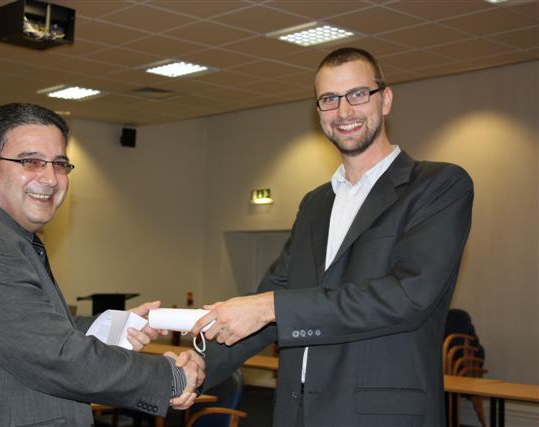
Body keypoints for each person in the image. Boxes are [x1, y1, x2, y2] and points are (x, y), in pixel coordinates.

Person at [190, 47, 474, 426]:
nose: (344, 111)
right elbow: (268, 306)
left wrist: (269, 307)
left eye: (358, 94)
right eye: (329, 99)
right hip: (297, 413)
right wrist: (197, 363)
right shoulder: (315, 203)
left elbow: (408, 297)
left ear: (385, 100)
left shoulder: (437, 186)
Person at [0, 103, 204, 426]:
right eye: (30, 161)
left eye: (60, 164)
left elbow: (35, 327)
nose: (50, 178)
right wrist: (170, 377)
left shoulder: (0, 233)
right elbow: (54, 357)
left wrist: (117, 326)